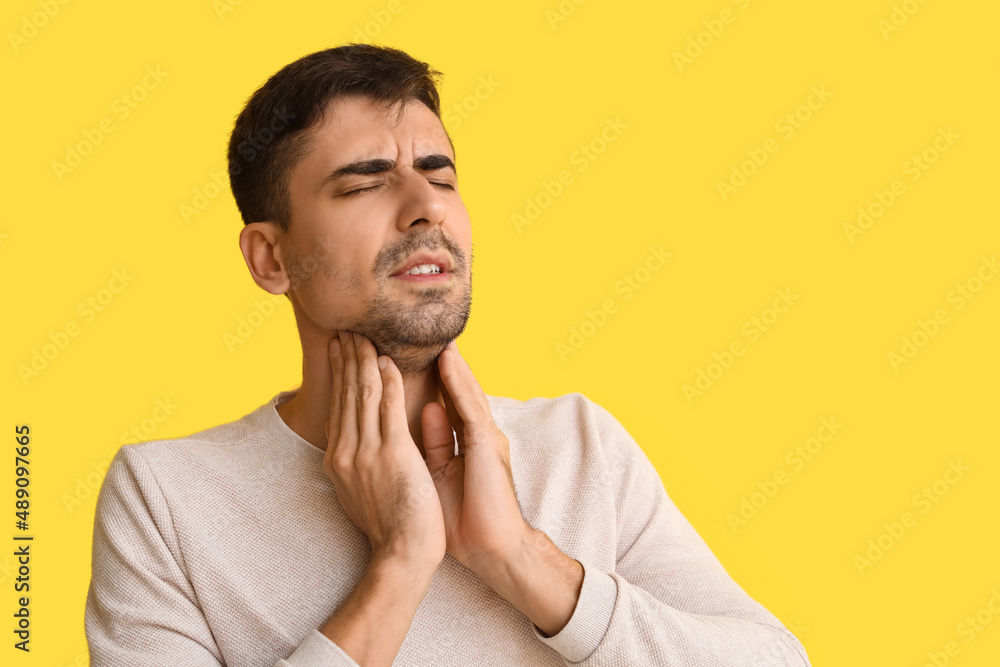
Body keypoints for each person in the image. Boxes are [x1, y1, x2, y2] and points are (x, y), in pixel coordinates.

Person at [84, 44, 812, 667]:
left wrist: (522, 559)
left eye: (440, 176)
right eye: (366, 182)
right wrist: (398, 565)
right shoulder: (163, 499)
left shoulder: (579, 443)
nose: (425, 206)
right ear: (272, 257)